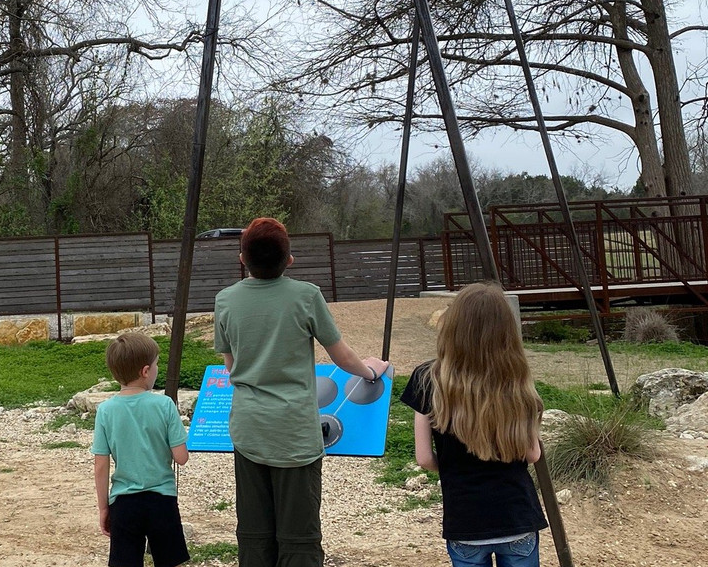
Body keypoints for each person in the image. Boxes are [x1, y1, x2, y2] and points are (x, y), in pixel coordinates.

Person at [214, 217, 389, 567]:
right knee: (299, 537)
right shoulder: (306, 295)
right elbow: (341, 354)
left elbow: (231, 367)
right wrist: (371, 370)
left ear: (242, 259)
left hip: (249, 430)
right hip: (294, 434)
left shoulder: (225, 300)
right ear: (289, 260)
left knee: (254, 532)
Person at [400, 281, 547, 567]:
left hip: (465, 520)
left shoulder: (427, 379)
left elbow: (424, 458)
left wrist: (457, 466)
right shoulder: (517, 380)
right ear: (507, 330)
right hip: (516, 517)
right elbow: (532, 454)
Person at [92, 333, 190, 567]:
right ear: (145, 371)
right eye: (156, 364)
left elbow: (101, 465)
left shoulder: (105, 410)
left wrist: (104, 508)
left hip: (124, 503)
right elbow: (181, 457)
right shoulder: (165, 405)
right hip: (162, 500)